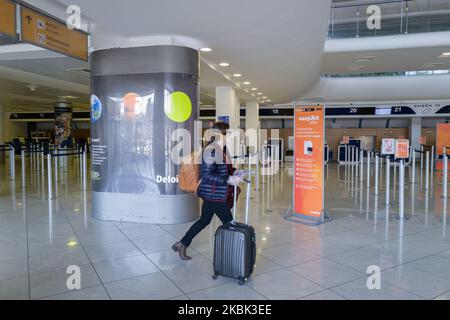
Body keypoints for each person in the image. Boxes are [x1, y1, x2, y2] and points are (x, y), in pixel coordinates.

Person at [172, 122, 243, 260]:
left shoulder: (220, 149)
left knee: (204, 221)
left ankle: (182, 244)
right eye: (228, 132)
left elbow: (223, 170)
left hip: (214, 193)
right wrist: (228, 180)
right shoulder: (211, 151)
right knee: (229, 223)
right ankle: (235, 258)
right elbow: (207, 175)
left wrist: (235, 172)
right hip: (214, 194)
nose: (230, 135)